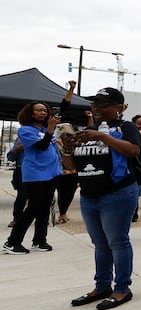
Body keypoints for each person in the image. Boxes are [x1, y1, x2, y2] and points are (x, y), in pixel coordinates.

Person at [66, 87, 141, 310]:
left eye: (103, 105)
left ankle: (122, 289)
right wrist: (69, 149)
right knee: (99, 243)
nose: (97, 109)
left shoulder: (125, 127)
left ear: (119, 108)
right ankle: (102, 286)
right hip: (89, 196)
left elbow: (133, 151)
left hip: (117, 193)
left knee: (117, 242)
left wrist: (102, 136)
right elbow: (71, 167)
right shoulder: (87, 131)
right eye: (95, 105)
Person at [2, 101, 62, 254]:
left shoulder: (45, 128)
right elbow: (41, 146)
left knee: (44, 207)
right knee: (34, 207)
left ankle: (39, 241)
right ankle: (12, 242)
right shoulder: (25, 130)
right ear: (31, 113)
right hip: (35, 173)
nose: (43, 112)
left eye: (45, 110)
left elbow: (64, 107)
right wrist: (50, 129)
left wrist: (71, 90)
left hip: (51, 172)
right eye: (39, 110)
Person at [55, 80, 79, 224]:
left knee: (69, 190)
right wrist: (71, 89)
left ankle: (63, 213)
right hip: (56, 164)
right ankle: (50, 214)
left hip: (71, 165)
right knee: (57, 190)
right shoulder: (57, 123)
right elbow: (64, 104)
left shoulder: (78, 129)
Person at [6, 137, 25, 228]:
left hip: (37, 170)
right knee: (22, 196)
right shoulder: (20, 142)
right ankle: (17, 219)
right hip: (21, 170)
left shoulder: (41, 139)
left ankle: (40, 219)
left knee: (38, 196)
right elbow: (10, 158)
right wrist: (16, 150)